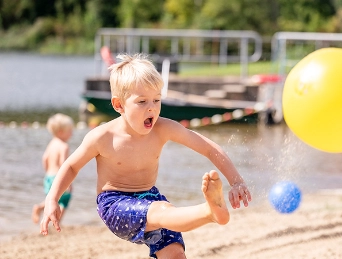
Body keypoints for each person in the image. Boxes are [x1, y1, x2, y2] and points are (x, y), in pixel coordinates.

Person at [40, 53, 252, 259]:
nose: (151, 108)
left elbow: (208, 147)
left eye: (156, 100)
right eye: (142, 102)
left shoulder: (163, 128)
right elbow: (71, 166)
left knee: (175, 254)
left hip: (150, 196)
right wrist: (52, 199)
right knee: (162, 211)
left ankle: (212, 213)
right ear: (118, 105)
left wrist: (237, 181)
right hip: (115, 204)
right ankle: (210, 212)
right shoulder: (102, 137)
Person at [32, 113, 74, 224]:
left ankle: (40, 208)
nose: (72, 134)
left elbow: (45, 159)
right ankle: (56, 222)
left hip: (48, 177)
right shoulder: (64, 146)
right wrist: (68, 182)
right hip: (58, 177)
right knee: (65, 199)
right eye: (69, 131)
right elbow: (64, 165)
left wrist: (47, 171)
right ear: (61, 132)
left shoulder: (51, 144)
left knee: (52, 199)